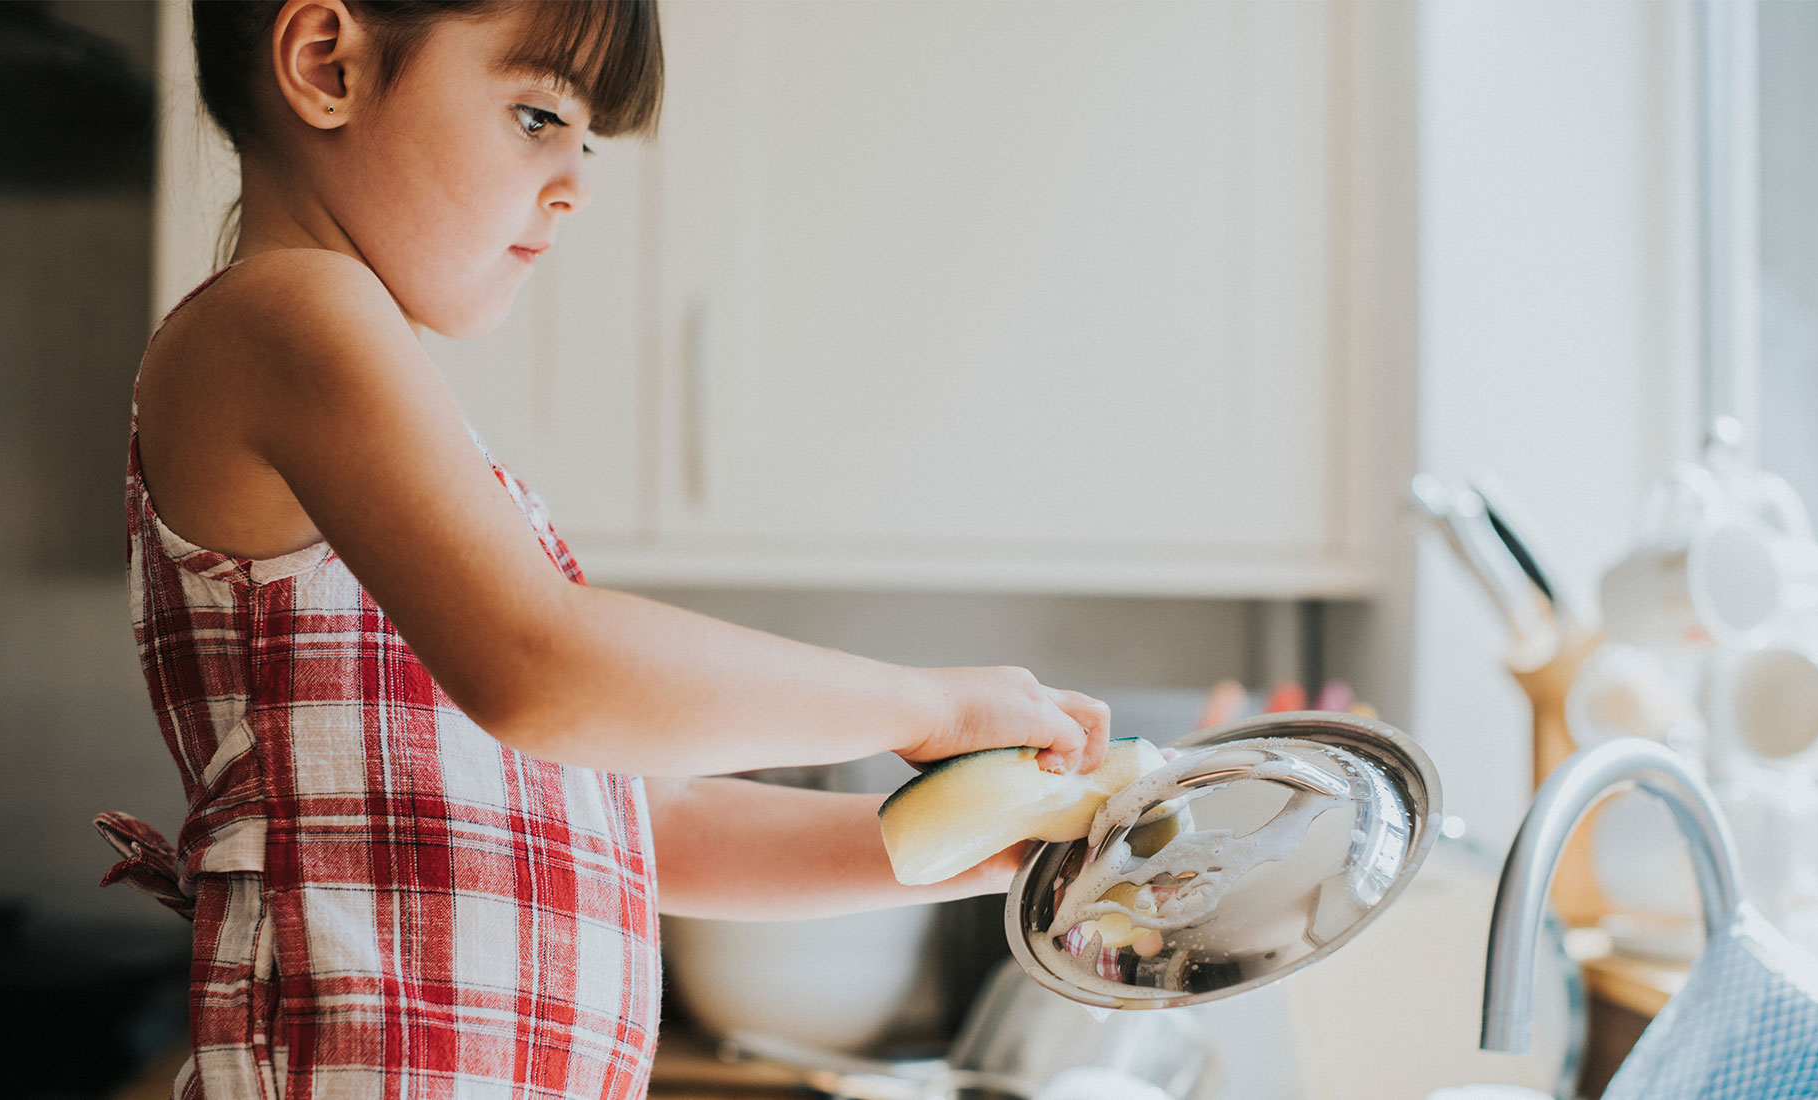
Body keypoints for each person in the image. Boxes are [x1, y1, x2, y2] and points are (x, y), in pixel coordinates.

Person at [92, 2, 1111, 1097]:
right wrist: (925, 705)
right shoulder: (287, 313)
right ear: (325, 63)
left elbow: (646, 815)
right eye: (537, 116)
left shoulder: (385, 421)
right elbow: (545, 666)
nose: (576, 181)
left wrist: (1003, 839)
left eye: (587, 140)